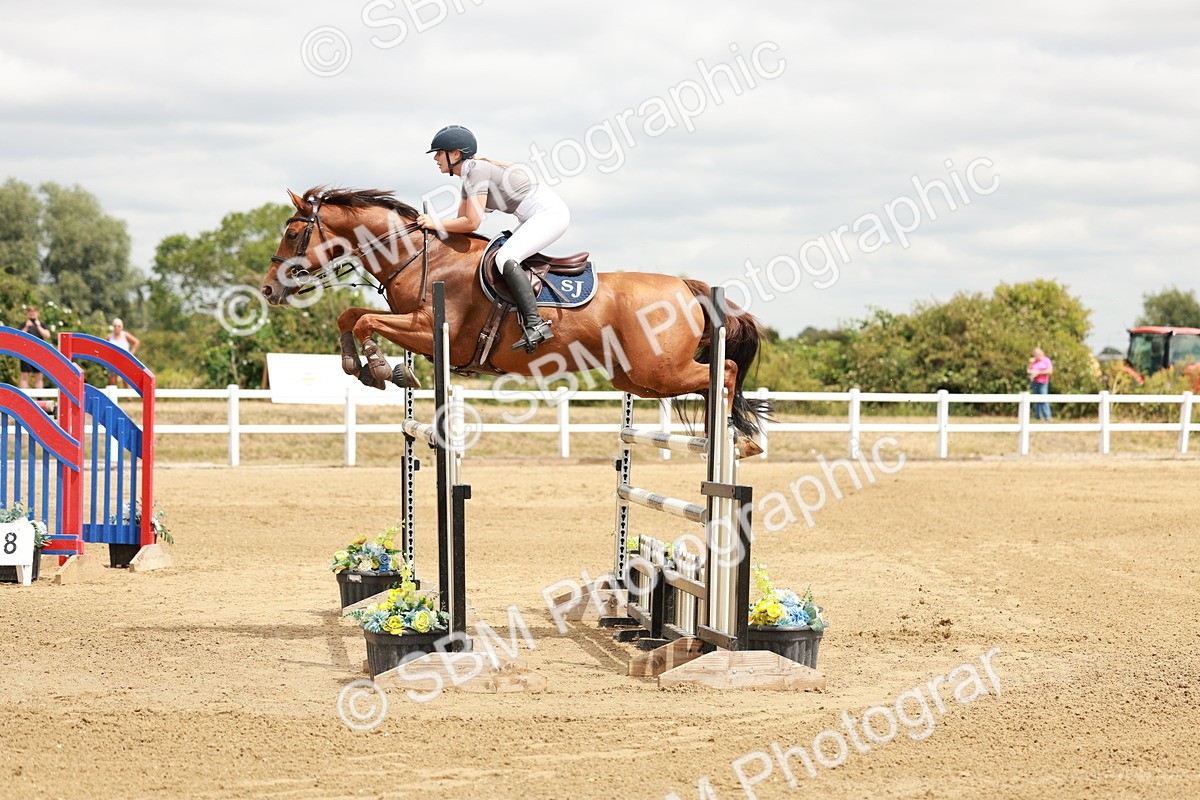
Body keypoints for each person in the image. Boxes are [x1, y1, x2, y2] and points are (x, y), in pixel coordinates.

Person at [414, 124, 569, 354]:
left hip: (548, 214)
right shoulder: (468, 176)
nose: (436, 158)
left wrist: (434, 222)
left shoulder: (476, 172)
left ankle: (536, 323)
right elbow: (461, 224)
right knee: (500, 256)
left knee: (505, 257)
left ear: (455, 154)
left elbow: (472, 223)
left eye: (439, 153)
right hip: (532, 215)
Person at [16, 305, 52, 390]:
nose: (32, 314)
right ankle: (23, 397)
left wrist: (38, 326)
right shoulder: (23, 325)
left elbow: (47, 335)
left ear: (37, 313)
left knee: (38, 375)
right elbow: (17, 336)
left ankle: (40, 399)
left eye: (34, 312)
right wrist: (26, 327)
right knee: (25, 374)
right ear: (27, 314)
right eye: (30, 312)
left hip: (38, 352)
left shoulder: (41, 325)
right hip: (25, 352)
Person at [106, 318, 141, 386]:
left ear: (121, 327)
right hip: (113, 361)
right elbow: (102, 346)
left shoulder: (125, 335)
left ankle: (129, 396)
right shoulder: (109, 336)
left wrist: (131, 354)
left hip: (125, 360)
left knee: (126, 380)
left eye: (118, 326)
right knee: (113, 380)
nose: (117, 328)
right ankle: (113, 396)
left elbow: (136, 342)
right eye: (115, 326)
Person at [1027, 347, 1053, 421]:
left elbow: (1050, 371)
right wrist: (1031, 363)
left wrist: (1039, 372)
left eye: (1037, 354)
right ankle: (1038, 417)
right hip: (1034, 382)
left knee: (1043, 399)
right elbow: (1028, 370)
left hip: (1043, 382)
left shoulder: (1046, 360)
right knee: (1036, 399)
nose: (1036, 355)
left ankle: (1047, 417)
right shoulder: (1034, 361)